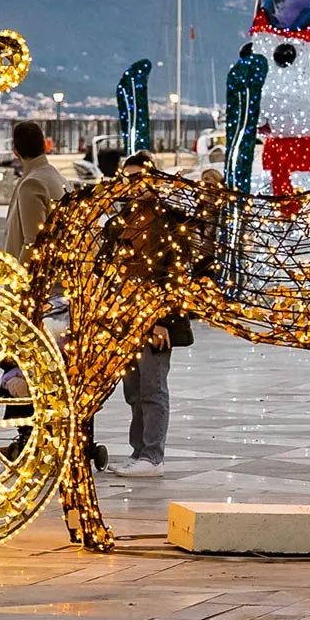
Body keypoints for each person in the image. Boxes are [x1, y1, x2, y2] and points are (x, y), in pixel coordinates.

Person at [101, 152, 190, 479]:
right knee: (133, 390)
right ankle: (138, 452)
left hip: (155, 320)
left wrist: (162, 320)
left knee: (152, 388)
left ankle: (152, 456)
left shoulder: (167, 222)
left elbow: (175, 275)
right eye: (128, 180)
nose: (132, 187)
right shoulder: (120, 221)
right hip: (126, 317)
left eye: (139, 180)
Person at [4, 120, 65, 261]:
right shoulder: (58, 177)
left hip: (32, 278)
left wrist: (18, 279)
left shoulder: (31, 184)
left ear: (15, 151)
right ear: (44, 145)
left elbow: (33, 242)